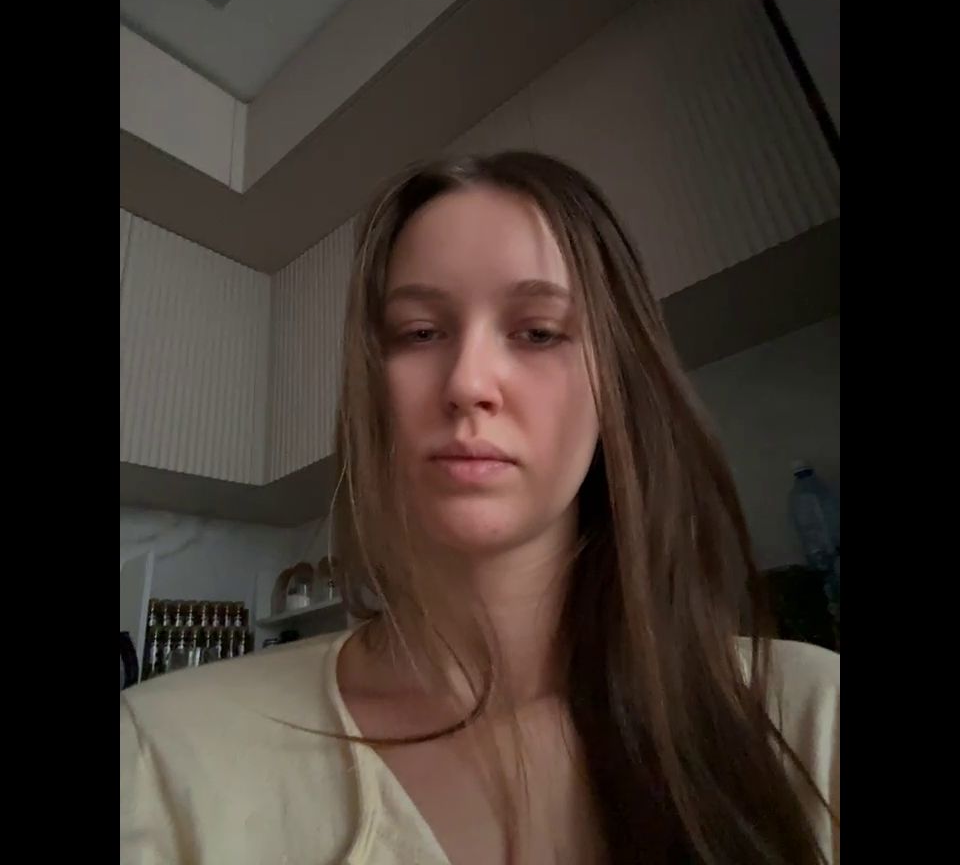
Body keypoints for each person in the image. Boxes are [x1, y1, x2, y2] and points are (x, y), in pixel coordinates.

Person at [120, 152, 839, 865]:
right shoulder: (159, 759)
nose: (468, 383)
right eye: (420, 333)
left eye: (538, 332)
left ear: (616, 386)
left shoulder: (813, 721)